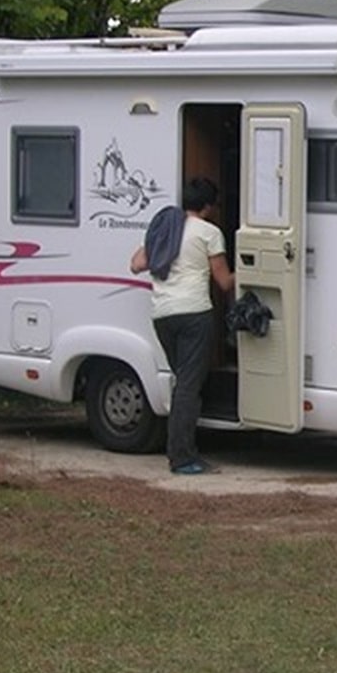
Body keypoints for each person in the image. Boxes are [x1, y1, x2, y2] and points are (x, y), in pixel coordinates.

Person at [130, 177, 234, 474]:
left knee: (182, 383)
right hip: (193, 315)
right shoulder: (209, 233)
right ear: (209, 206)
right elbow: (223, 281)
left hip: (163, 314)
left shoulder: (167, 228)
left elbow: (136, 263)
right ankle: (182, 457)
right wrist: (248, 273)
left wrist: (155, 244)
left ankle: (180, 451)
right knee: (188, 386)